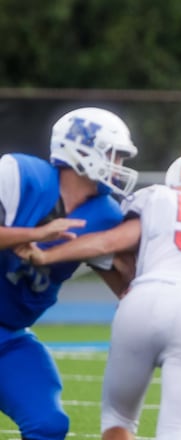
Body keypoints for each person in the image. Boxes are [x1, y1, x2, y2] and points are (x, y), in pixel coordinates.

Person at [16, 152, 181, 439]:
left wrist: (47, 256)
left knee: (117, 418)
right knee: (177, 431)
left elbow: (107, 243)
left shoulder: (159, 199)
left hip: (144, 298)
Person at [0, 107, 138, 439]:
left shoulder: (105, 215)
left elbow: (125, 286)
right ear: (81, 148)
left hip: (9, 334)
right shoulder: (19, 174)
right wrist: (31, 235)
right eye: (113, 155)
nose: (118, 165)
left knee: (49, 424)